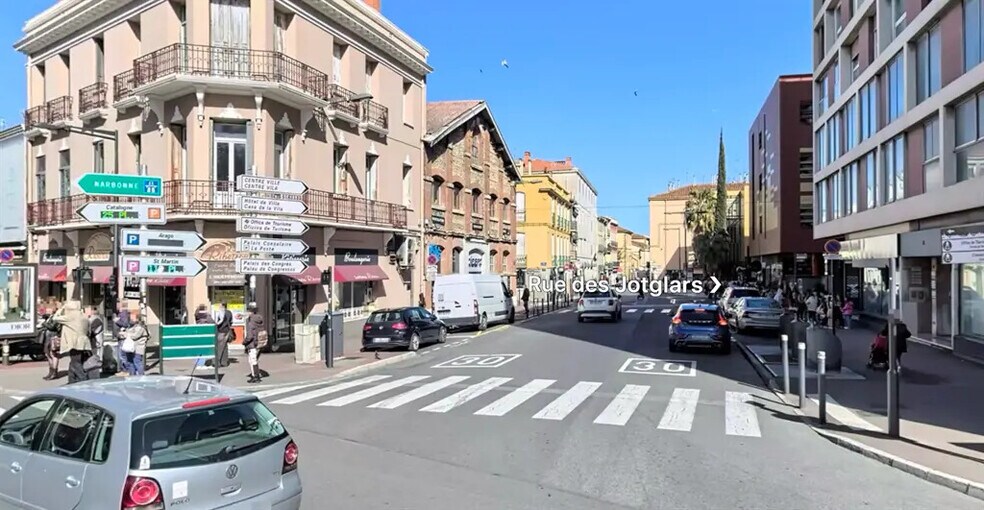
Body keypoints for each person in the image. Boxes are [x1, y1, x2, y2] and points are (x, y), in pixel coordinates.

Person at [52, 300, 90, 384]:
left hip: (74, 342)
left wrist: (61, 309)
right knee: (74, 361)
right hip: (83, 341)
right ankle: (71, 380)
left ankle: (83, 380)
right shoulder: (83, 315)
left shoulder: (71, 316)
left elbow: (55, 318)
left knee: (76, 362)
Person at [244, 302, 266, 384]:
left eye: (248, 312)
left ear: (250, 312)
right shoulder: (259, 319)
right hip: (259, 342)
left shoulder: (251, 323)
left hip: (253, 343)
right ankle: (256, 375)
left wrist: (244, 342)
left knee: (252, 360)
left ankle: (255, 377)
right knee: (254, 359)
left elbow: (249, 336)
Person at [38, 308, 60, 380]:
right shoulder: (49, 317)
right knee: (48, 354)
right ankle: (51, 371)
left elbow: (52, 326)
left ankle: (54, 372)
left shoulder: (55, 317)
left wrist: (44, 323)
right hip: (48, 338)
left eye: (48, 310)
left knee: (53, 354)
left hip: (53, 337)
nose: (46, 311)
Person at [215, 303, 233, 368]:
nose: (219, 307)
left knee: (219, 347)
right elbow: (231, 322)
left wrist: (216, 324)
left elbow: (219, 322)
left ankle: (218, 362)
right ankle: (224, 362)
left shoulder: (221, 312)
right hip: (227, 331)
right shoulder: (229, 312)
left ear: (223, 306)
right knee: (225, 347)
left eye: (220, 306)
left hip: (221, 331)